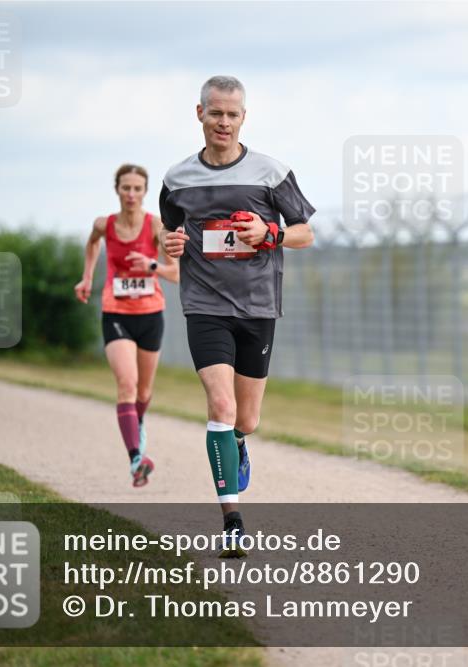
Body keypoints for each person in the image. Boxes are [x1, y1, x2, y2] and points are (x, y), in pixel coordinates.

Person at [160, 75, 315, 556]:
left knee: (246, 418)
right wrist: (169, 245)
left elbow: (305, 233)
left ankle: (238, 442)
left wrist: (269, 233)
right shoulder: (177, 179)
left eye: (232, 114)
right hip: (204, 306)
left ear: (243, 118)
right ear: (200, 114)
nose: (223, 122)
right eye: (216, 113)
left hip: (257, 306)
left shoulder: (271, 172)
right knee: (221, 407)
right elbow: (169, 234)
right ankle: (232, 521)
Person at [74, 164, 179, 488]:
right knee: (127, 384)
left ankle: (137, 421)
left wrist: (151, 265)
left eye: (137, 189)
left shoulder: (155, 226)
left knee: (144, 392)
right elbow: (92, 244)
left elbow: (175, 273)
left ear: (145, 192)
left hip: (150, 314)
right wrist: (87, 276)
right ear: (117, 190)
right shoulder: (103, 224)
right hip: (116, 312)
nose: (131, 194)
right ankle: (136, 458)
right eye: (126, 188)